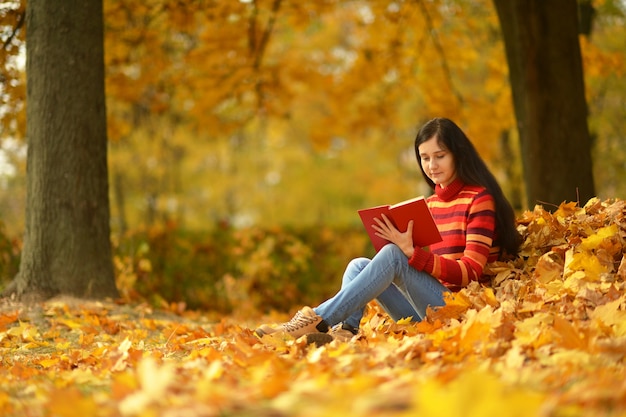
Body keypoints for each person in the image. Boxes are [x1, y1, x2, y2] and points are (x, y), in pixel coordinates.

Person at [255, 117, 520, 342]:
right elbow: (423, 268)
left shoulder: (479, 199)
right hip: (428, 309)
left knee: (395, 255)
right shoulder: (430, 204)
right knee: (357, 265)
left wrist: (410, 253)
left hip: (464, 313)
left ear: (458, 155)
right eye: (425, 158)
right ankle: (344, 331)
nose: (432, 166)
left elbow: (469, 272)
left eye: (440, 156)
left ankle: (316, 320)